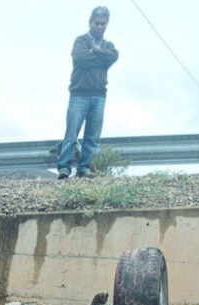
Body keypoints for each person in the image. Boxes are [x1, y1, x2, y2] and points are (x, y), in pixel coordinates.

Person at [57, 6, 119, 179]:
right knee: (72, 133)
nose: (100, 26)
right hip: (79, 95)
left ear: (107, 25)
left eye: (103, 24)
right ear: (90, 22)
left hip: (99, 96)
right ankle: (64, 168)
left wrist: (96, 51)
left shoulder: (108, 45)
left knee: (93, 136)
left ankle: (84, 169)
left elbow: (113, 56)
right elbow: (81, 59)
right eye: (97, 23)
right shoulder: (80, 41)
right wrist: (100, 59)